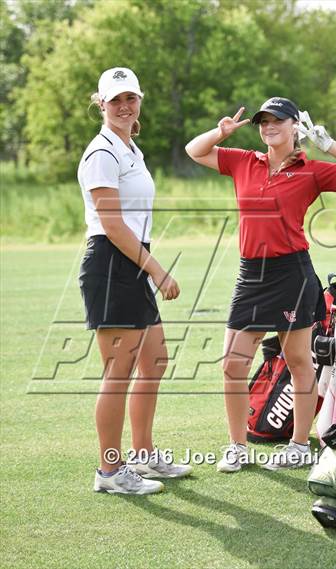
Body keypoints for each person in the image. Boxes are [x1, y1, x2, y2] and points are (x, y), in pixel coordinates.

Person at [185, 97, 336, 472]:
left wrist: (329, 144)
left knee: (298, 361)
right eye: (263, 121)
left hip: (292, 273)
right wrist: (220, 132)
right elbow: (195, 151)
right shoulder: (243, 161)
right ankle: (237, 446)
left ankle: (297, 446)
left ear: (294, 126)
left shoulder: (311, 170)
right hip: (250, 276)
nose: (268, 126)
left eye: (277, 120)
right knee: (232, 365)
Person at [78, 67, 192, 494]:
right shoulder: (102, 153)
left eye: (131, 99)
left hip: (130, 263)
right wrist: (157, 270)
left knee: (155, 362)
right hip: (112, 263)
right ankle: (110, 472)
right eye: (115, 100)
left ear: (139, 101)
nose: (124, 106)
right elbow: (112, 225)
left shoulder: (130, 148)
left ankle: (143, 456)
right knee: (118, 373)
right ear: (101, 104)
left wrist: (146, 268)